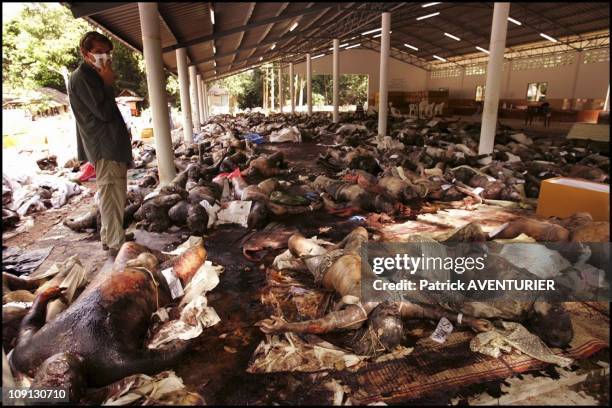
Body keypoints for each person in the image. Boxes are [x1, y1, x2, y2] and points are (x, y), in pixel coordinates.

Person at [67, 31, 133, 256]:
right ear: (86, 54)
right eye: (98, 52)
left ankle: (110, 236)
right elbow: (104, 112)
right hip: (105, 146)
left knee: (112, 194)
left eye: (107, 52)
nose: (104, 56)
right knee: (113, 193)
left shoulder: (92, 76)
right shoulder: (84, 77)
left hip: (109, 145)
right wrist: (107, 83)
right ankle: (116, 242)